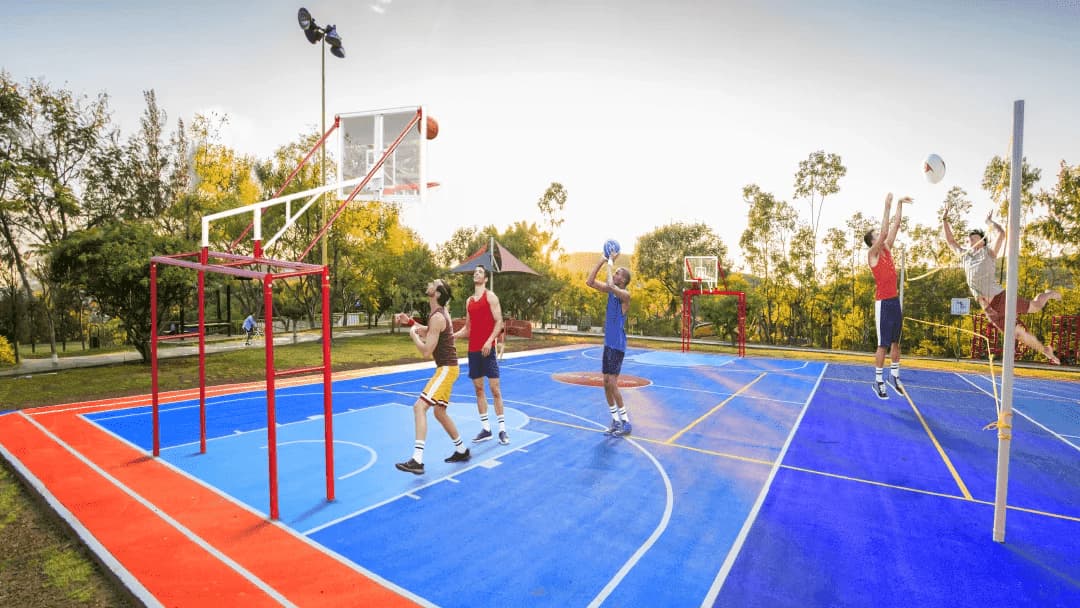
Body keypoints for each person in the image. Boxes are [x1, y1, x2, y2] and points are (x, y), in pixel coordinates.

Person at [942, 205, 1062, 365]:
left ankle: (1048, 294)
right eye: (968, 238)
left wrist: (990, 221)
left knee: (1036, 307)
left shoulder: (988, 253)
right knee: (1018, 334)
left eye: (974, 237)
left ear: (982, 241)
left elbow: (1002, 234)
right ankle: (1045, 351)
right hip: (989, 309)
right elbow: (950, 241)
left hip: (1001, 298)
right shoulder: (965, 256)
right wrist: (944, 219)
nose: (969, 239)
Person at [393, 278, 471, 474]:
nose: (429, 282)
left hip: (446, 369)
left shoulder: (437, 316)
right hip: (449, 368)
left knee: (419, 407)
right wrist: (410, 322)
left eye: (434, 283)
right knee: (439, 412)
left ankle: (417, 460)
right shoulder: (437, 314)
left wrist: (413, 336)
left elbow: (427, 351)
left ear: (437, 293)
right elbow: (432, 331)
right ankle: (461, 449)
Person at [453, 265, 510, 445]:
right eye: (475, 272)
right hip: (473, 351)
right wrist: (452, 336)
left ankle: (502, 430)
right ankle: (486, 429)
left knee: (495, 390)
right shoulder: (469, 301)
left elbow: (499, 322)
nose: (476, 274)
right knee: (479, 390)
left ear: (485, 279)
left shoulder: (490, 297)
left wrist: (489, 341)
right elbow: (468, 329)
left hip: (488, 350)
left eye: (480, 272)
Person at [864, 193, 910, 399]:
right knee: (882, 344)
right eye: (876, 236)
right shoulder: (872, 255)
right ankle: (878, 380)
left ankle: (895, 377)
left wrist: (899, 205)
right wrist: (887, 206)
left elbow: (895, 226)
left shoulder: (888, 249)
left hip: (894, 301)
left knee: (896, 343)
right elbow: (884, 231)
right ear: (872, 242)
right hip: (882, 303)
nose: (880, 237)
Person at [585, 251, 633, 436]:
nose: (615, 273)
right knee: (605, 382)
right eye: (616, 271)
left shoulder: (625, 295)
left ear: (623, 280)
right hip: (608, 344)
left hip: (618, 345)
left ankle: (626, 422)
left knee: (612, 382)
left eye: (619, 272)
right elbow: (589, 281)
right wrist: (602, 260)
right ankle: (614, 420)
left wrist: (611, 261)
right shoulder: (611, 291)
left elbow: (611, 285)